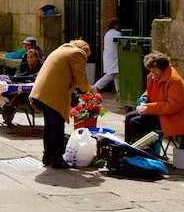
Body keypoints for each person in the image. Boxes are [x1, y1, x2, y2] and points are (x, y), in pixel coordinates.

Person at [28, 40, 96, 169]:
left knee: (49, 125)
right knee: (57, 126)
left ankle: (47, 156)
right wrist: (88, 89)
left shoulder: (61, 49)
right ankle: (57, 159)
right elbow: (80, 76)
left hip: (42, 91)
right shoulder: (77, 53)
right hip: (54, 93)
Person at [124, 51, 184, 143]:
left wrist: (149, 108)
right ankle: (128, 147)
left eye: (154, 70)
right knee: (129, 117)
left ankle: (142, 149)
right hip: (160, 112)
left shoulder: (175, 81)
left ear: (162, 69)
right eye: (151, 70)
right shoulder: (153, 76)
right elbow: (150, 90)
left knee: (136, 122)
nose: (152, 73)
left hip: (174, 117)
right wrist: (144, 98)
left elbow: (172, 106)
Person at [94, 18, 122, 93]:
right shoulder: (117, 34)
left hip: (108, 55)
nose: (119, 26)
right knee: (111, 75)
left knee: (116, 74)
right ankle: (95, 87)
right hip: (114, 56)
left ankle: (118, 91)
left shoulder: (107, 33)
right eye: (117, 24)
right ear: (114, 25)